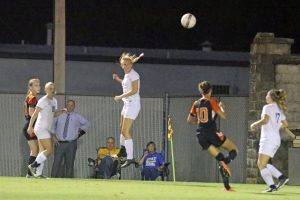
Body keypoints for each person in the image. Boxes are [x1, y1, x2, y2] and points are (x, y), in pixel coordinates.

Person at [187, 81, 238, 191]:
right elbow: (223, 116)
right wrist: (222, 107)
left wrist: (200, 120)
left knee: (219, 158)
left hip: (200, 136)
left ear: (201, 91)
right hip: (212, 132)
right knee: (234, 149)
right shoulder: (212, 102)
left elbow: (189, 120)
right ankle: (227, 161)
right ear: (210, 91)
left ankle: (227, 187)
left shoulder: (196, 103)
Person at [250, 89, 289, 193]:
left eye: (267, 95)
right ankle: (279, 179)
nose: (266, 97)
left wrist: (255, 124)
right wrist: (276, 126)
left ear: (271, 97)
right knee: (264, 163)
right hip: (276, 139)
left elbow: (265, 120)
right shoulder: (279, 109)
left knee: (260, 164)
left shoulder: (267, 107)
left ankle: (275, 184)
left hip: (268, 139)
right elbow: (285, 124)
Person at [27, 82, 66, 178]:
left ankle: (38, 174)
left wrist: (61, 111)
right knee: (49, 150)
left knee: (42, 151)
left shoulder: (54, 101)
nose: (52, 90)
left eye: (53, 88)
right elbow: (35, 114)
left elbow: (53, 114)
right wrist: (30, 126)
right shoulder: (42, 100)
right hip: (41, 128)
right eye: (49, 88)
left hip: (46, 129)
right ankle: (32, 166)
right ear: (46, 90)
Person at [112, 52, 144, 168]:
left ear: (131, 65)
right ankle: (123, 149)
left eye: (127, 64)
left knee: (125, 132)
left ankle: (130, 158)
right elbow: (127, 85)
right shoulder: (126, 75)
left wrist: (120, 96)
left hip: (133, 105)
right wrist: (118, 79)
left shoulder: (134, 75)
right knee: (121, 128)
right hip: (126, 105)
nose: (125, 66)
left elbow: (134, 90)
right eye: (123, 64)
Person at [51, 100, 90, 178]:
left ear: (74, 107)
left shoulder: (77, 116)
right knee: (56, 163)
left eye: (72, 105)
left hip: (71, 144)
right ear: (66, 105)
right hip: (59, 143)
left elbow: (87, 123)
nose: (70, 106)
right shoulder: (59, 115)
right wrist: (53, 136)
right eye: (68, 105)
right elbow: (52, 125)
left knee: (70, 163)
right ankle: (52, 179)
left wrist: (80, 130)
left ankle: (69, 182)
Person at [22, 78, 40, 178]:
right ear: (30, 87)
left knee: (34, 150)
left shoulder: (29, 97)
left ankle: (30, 173)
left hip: (29, 125)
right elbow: (31, 113)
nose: (38, 87)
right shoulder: (32, 97)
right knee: (35, 150)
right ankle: (30, 173)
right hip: (30, 126)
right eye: (36, 85)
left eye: (39, 85)